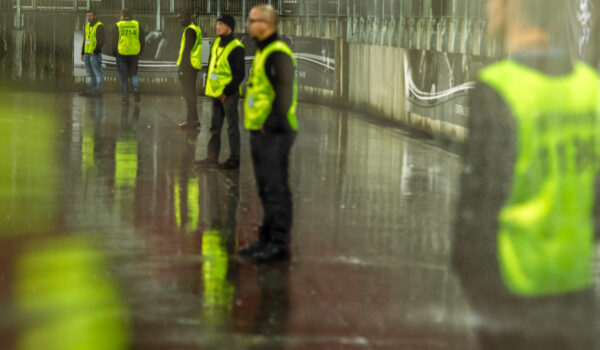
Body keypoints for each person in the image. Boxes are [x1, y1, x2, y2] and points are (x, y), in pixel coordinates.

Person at [451, 0, 598, 348]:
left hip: (515, 294)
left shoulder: (498, 88)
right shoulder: (590, 88)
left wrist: (478, 289)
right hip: (576, 297)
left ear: (511, 5)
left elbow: (477, 211)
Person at [238, 5, 298, 263]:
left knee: (276, 189)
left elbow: (284, 95)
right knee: (264, 188)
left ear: (267, 24)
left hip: (275, 133)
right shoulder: (264, 51)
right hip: (261, 131)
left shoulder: (277, 53)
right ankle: (266, 238)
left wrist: (269, 124)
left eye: (252, 21)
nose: (248, 26)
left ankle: (278, 244)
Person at [197, 14, 245, 169]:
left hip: (228, 94)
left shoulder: (236, 47)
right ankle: (212, 158)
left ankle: (234, 159)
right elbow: (213, 66)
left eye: (221, 24)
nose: (217, 26)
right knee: (214, 127)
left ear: (229, 28)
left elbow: (239, 74)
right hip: (216, 93)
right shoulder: (217, 43)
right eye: (217, 23)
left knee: (232, 127)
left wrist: (226, 92)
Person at [176, 11, 203, 130]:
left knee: (188, 95)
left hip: (188, 67)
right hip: (193, 66)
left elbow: (187, 50)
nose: (179, 20)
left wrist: (181, 68)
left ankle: (192, 121)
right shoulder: (196, 29)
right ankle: (193, 120)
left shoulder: (189, 30)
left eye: (181, 18)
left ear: (188, 17)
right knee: (191, 94)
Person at [112, 8, 144, 105]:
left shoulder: (118, 25)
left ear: (122, 15)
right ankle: (135, 90)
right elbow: (142, 40)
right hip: (134, 54)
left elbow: (114, 41)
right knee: (133, 74)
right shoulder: (137, 24)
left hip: (121, 54)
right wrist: (139, 52)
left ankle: (125, 98)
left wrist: (115, 53)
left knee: (123, 77)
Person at [79, 9, 105, 97]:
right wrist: (82, 52)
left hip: (94, 54)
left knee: (98, 73)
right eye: (87, 16)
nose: (88, 18)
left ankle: (99, 91)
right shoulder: (87, 26)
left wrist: (96, 51)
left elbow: (102, 41)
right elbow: (85, 40)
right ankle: (90, 91)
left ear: (95, 16)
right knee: (90, 74)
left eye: (90, 16)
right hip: (87, 53)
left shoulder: (99, 26)